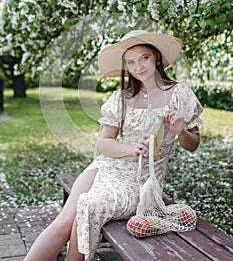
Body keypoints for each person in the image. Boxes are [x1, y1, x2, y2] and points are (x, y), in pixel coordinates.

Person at [24, 30, 203, 261]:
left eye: (144, 58)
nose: (138, 67)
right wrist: (131, 148)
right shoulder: (121, 98)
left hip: (141, 181)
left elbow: (193, 144)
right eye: (130, 62)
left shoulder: (180, 93)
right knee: (63, 223)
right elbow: (104, 144)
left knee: (87, 208)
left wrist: (180, 131)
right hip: (106, 167)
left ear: (156, 57)